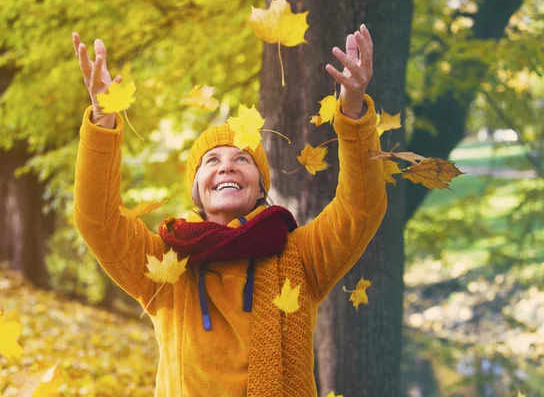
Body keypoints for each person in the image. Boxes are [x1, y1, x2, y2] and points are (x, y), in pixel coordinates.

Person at [72, 24, 386, 397]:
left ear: (259, 187)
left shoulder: (300, 257)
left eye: (242, 158)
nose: (227, 166)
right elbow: (96, 218)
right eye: (211, 161)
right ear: (197, 191)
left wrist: (352, 111)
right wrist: (103, 119)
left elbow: (361, 209)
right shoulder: (164, 264)